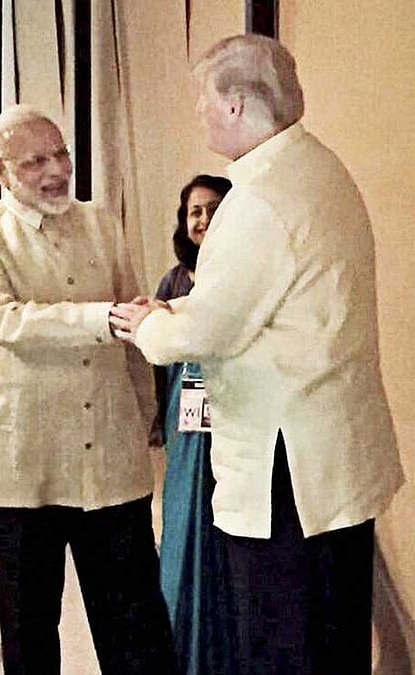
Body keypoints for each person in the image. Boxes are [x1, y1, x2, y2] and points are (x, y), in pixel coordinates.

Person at [110, 34, 404, 674]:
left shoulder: (259, 200)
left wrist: (145, 324)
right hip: (334, 452)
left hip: (285, 465)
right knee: (335, 633)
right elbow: (256, 300)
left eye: (204, 100)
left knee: (280, 644)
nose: (199, 112)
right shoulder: (318, 169)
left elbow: (207, 333)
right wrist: (178, 311)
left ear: (238, 104)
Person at [0, 104, 176, 674]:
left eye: (61, 155)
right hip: (23, 463)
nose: (55, 172)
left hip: (110, 457)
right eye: (35, 163)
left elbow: (133, 329)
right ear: (1, 173)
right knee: (30, 627)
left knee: (136, 620)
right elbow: (4, 321)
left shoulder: (102, 222)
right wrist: (101, 317)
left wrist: (144, 412)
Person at [153, 174, 236, 675]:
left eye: (212, 209)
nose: (203, 220)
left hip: (232, 423)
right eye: (194, 212)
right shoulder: (176, 280)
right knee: (183, 518)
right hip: (186, 428)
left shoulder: (239, 273)